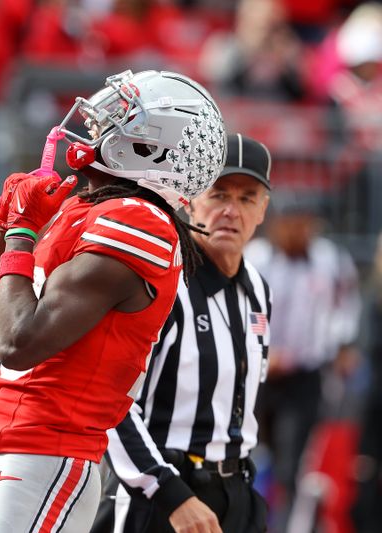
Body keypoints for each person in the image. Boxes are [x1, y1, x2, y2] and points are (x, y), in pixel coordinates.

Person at [0, 69, 227, 533]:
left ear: (150, 145)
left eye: (118, 121)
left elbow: (19, 343)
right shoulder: (84, 208)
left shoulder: (139, 221)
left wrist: (22, 233)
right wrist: (4, 229)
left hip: (46, 454)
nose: (98, 128)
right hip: (8, 446)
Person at [93, 133, 273, 533]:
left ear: (263, 209)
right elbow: (111, 402)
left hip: (236, 493)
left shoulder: (259, 289)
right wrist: (168, 492)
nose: (231, 211)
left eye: (247, 198)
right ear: (190, 198)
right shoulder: (165, 280)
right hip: (160, 496)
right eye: (219, 194)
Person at [244, 188, 361, 531]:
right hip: (259, 371)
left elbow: (346, 308)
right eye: (290, 223)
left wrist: (341, 345)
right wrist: (264, 349)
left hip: (307, 374)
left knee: (293, 458)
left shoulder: (331, 260)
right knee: (250, 452)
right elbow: (248, 310)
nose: (297, 231)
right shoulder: (257, 258)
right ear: (276, 224)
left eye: (304, 224)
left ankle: (288, 526)